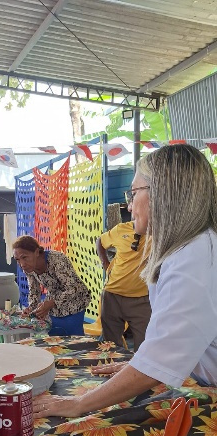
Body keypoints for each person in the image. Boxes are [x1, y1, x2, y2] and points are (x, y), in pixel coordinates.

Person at [33, 144, 217, 418]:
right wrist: (142, 367)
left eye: (133, 193)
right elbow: (174, 347)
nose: (129, 204)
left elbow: (162, 356)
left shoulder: (194, 259)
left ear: (163, 194)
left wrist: (76, 405)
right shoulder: (193, 248)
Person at [96, 205, 152, 351]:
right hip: (112, 294)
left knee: (144, 347)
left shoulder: (159, 233)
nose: (132, 210)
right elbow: (100, 242)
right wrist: (105, 263)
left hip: (142, 299)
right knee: (110, 345)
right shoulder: (121, 229)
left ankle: (137, 374)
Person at [12, 235, 91, 336]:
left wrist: (52, 303)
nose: (22, 263)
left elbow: (73, 288)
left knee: (73, 340)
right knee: (54, 341)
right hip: (53, 305)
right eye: (17, 259)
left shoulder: (57, 259)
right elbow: (34, 292)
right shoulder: (28, 268)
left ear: (36, 252)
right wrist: (31, 309)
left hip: (74, 302)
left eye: (24, 257)